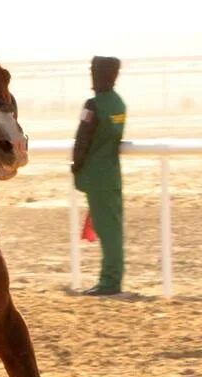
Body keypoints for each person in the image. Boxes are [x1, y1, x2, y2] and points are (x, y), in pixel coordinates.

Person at [72, 56, 127, 296]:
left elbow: (83, 140)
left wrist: (76, 167)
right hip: (112, 174)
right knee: (112, 229)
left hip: (96, 176)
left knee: (106, 231)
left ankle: (110, 282)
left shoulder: (93, 105)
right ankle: (111, 279)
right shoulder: (119, 104)